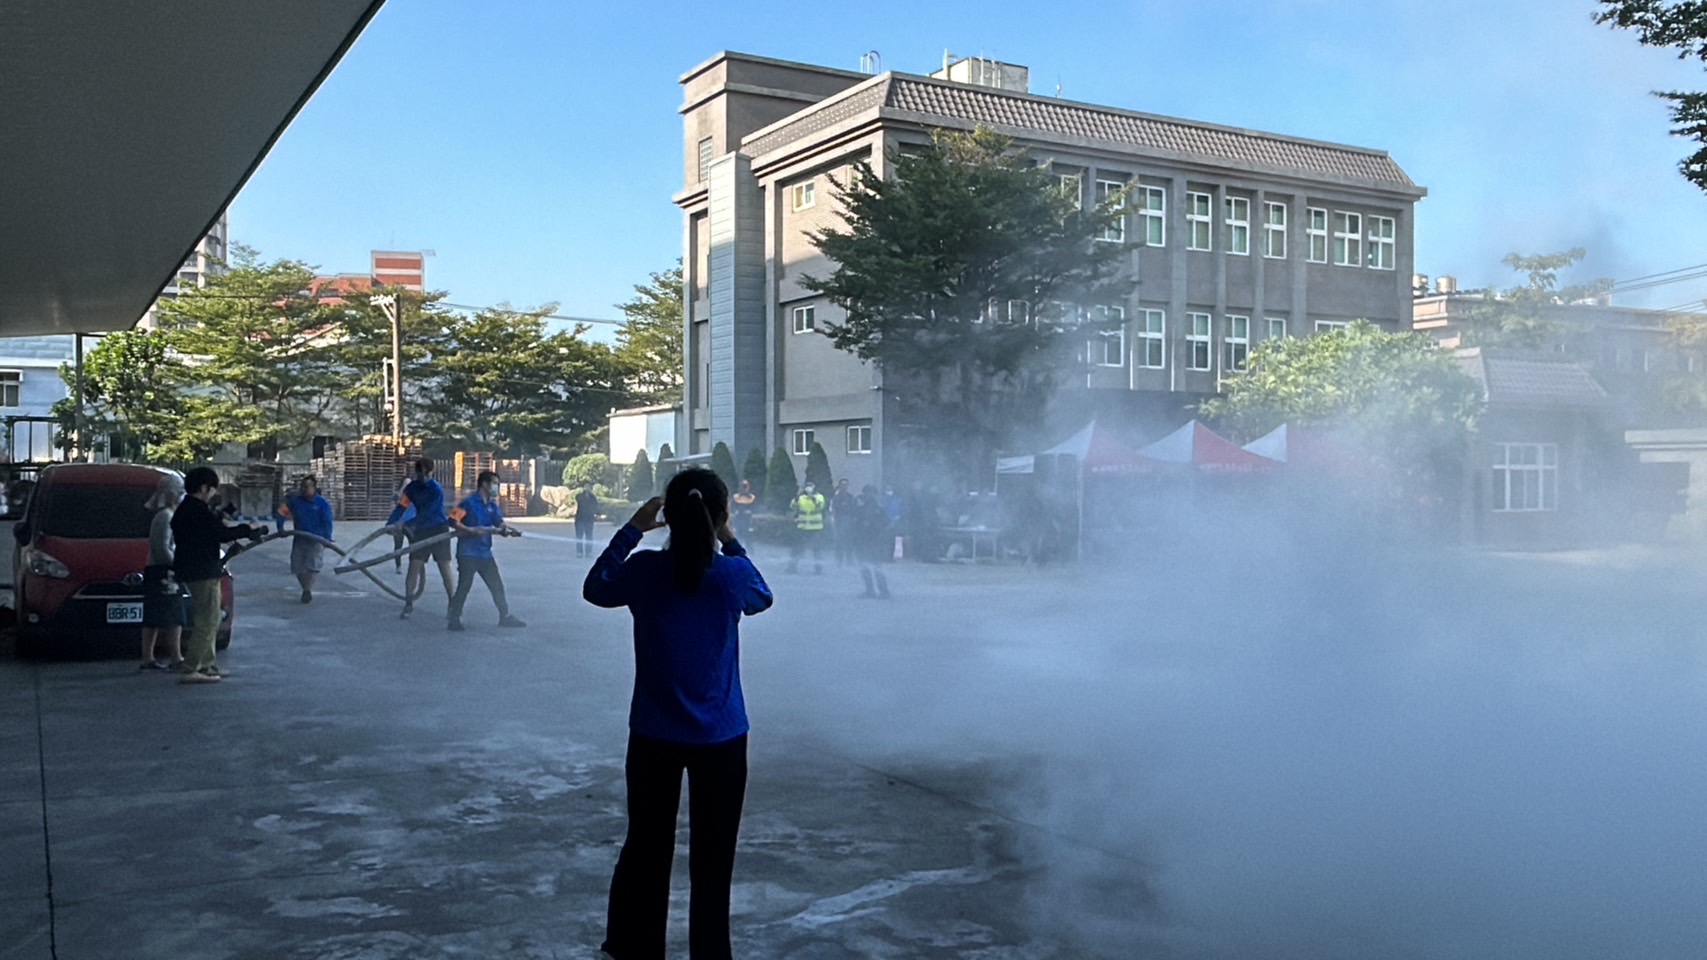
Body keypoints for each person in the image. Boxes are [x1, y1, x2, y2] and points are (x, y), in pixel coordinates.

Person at [583, 468, 772, 960]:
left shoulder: (644, 570)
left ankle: (635, 948)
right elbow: (763, 595)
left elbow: (596, 587)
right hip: (722, 737)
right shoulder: (731, 576)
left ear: (666, 515)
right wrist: (729, 538)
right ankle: (711, 953)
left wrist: (633, 528)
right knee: (714, 858)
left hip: (654, 734)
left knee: (646, 847)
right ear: (720, 514)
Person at [172, 467, 262, 685]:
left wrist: (238, 528)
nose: (213, 494)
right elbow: (220, 533)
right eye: (212, 489)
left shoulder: (187, 509)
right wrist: (247, 530)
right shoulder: (197, 511)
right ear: (204, 488)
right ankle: (192, 667)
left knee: (209, 618)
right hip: (202, 571)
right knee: (208, 619)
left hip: (195, 569)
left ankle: (207, 665)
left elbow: (214, 530)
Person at [447, 470, 526, 631]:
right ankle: (454, 618)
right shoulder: (469, 503)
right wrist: (470, 530)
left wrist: (507, 529)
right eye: (495, 484)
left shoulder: (491, 505)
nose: (497, 487)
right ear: (485, 484)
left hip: (485, 553)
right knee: (464, 586)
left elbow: (498, 522)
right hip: (468, 553)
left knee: (496, 585)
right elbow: (453, 520)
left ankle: (505, 616)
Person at [385, 457, 455, 620]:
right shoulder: (412, 488)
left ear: (431, 472)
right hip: (421, 531)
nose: (424, 478)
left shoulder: (436, 489)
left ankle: (453, 603)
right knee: (414, 565)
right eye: (421, 475)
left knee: (444, 566)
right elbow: (402, 506)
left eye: (426, 474)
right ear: (416, 473)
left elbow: (428, 513)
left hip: (438, 529)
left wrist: (406, 523)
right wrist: (391, 523)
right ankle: (408, 603)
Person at [139, 474, 186, 671]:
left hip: (159, 571)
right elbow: (162, 548)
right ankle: (176, 658)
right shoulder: (166, 516)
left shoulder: (166, 515)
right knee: (173, 615)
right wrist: (178, 565)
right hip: (164, 573)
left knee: (155, 616)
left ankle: (148, 657)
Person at [281, 475, 334, 603]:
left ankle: (307, 590)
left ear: (314, 488)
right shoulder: (295, 501)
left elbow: (327, 522)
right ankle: (305, 587)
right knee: (297, 566)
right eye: (302, 487)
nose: (304, 489)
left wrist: (327, 538)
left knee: (313, 566)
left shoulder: (322, 503)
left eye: (307, 487)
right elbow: (281, 512)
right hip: (300, 538)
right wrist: (280, 528)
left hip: (316, 539)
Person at [854, 485, 892, 599]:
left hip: (872, 541)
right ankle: (873, 590)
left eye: (871, 493)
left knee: (874, 566)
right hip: (866, 541)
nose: (869, 495)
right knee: (868, 566)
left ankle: (881, 591)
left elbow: (886, 523)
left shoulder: (877, 509)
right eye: (867, 493)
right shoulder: (864, 508)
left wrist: (873, 527)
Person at [787, 481, 827, 574]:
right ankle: (792, 567)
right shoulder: (801, 498)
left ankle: (818, 568)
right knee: (797, 548)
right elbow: (792, 506)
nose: (809, 488)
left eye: (811, 486)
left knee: (816, 548)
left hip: (815, 527)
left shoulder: (819, 496)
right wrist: (797, 496)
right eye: (807, 486)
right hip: (802, 527)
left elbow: (820, 506)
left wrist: (812, 497)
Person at [829, 479, 856, 567]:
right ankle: (839, 560)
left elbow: (853, 509)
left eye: (846, 485)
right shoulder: (835, 498)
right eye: (842, 484)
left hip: (848, 521)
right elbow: (833, 509)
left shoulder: (850, 497)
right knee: (839, 542)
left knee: (849, 541)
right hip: (839, 521)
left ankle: (849, 560)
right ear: (839, 485)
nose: (844, 486)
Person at [390, 476, 414, 574]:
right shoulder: (399, 495)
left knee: (413, 544)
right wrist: (401, 491)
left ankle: (413, 565)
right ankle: (398, 566)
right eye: (405, 483)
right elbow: (395, 506)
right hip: (398, 522)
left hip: (410, 523)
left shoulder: (414, 495)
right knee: (398, 545)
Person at [574, 481, 600, 559]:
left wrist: (597, 514)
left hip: (589, 519)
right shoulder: (579, 496)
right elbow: (579, 500)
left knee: (589, 536)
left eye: (589, 487)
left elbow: (595, 506)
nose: (587, 488)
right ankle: (579, 552)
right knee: (579, 536)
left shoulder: (593, 498)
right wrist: (585, 494)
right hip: (580, 519)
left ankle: (588, 552)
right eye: (586, 486)